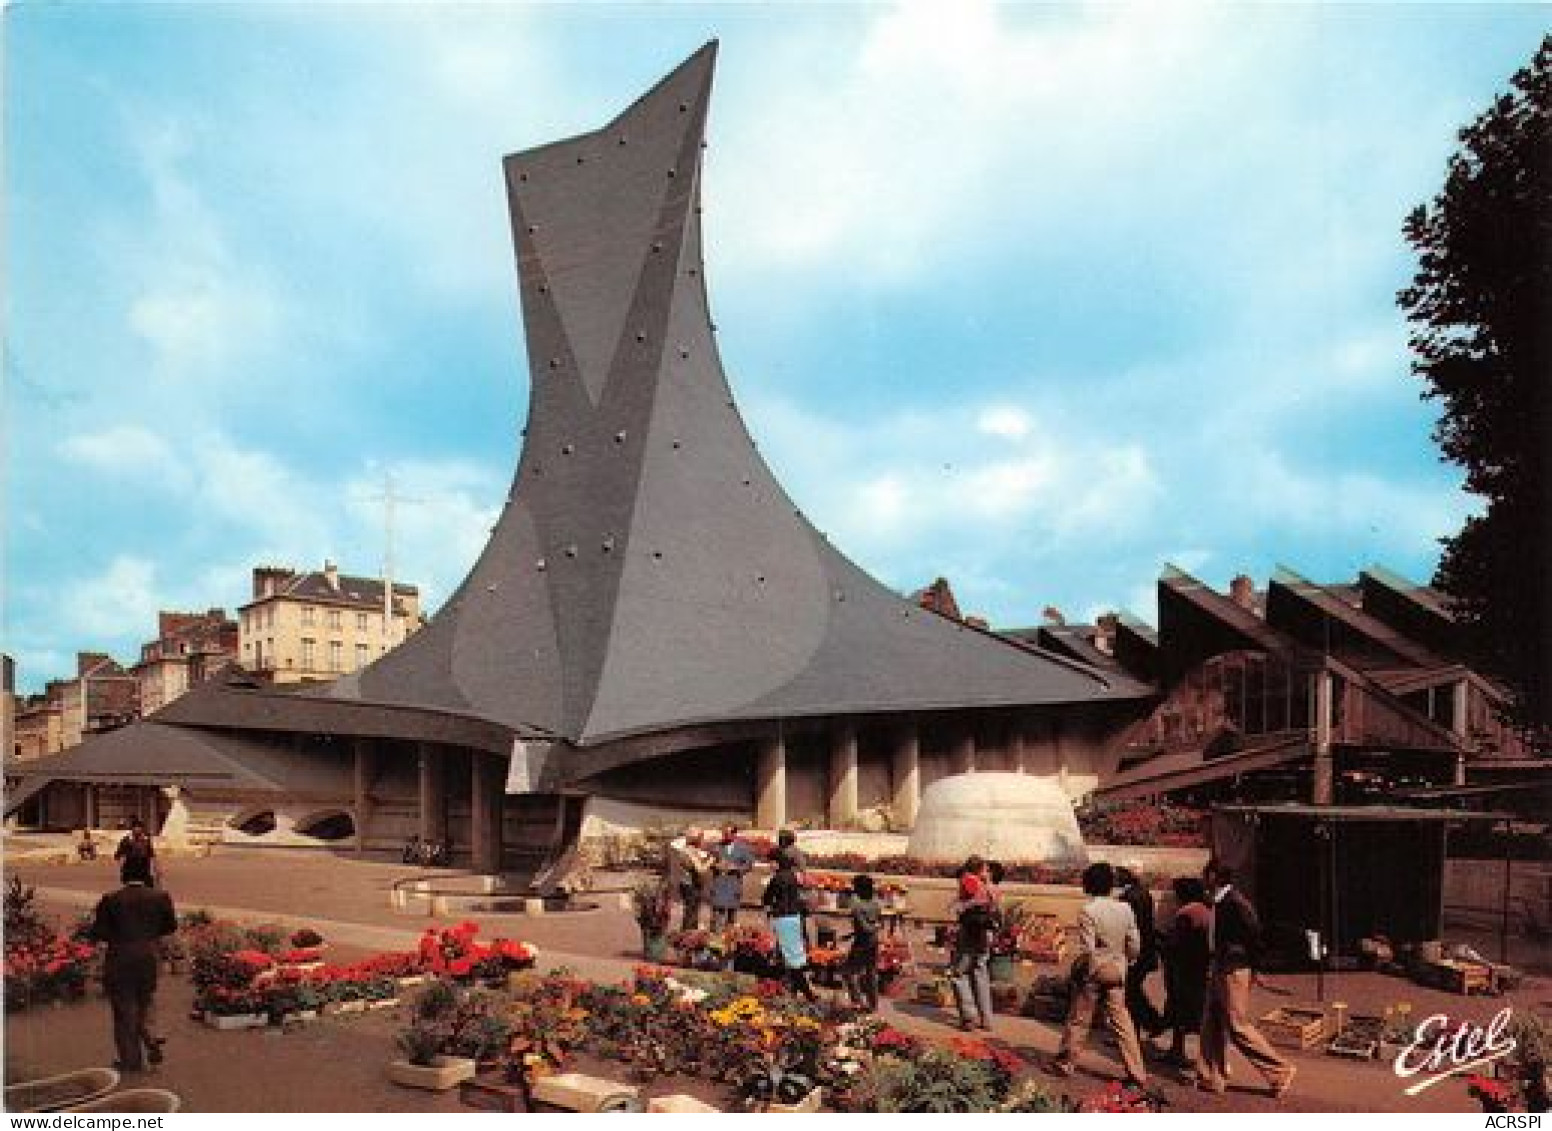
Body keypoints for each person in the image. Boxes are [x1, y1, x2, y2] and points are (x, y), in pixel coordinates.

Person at [1197, 859, 1295, 1098]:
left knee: (1236, 1025)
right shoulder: (1220, 902)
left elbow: (1255, 937)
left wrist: (1255, 968)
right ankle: (1213, 1076)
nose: (1202, 879)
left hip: (1234, 968)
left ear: (1213, 877)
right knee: (1212, 1022)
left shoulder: (1236, 903)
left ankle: (1280, 1070)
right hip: (1221, 965)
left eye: (1205, 875)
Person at [1047, 861, 1149, 1088]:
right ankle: (1137, 1073)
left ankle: (1066, 1062)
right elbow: (1134, 944)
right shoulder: (1125, 908)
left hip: (1095, 970)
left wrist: (1080, 971)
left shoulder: (1088, 911)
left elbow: (1087, 949)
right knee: (1122, 1022)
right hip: (1117, 969)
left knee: (1079, 1019)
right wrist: (1126, 961)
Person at [89, 855, 176, 1073]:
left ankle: (131, 1061)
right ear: (146, 874)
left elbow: (99, 933)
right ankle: (151, 1036)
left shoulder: (111, 899)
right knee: (145, 1000)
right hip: (149, 957)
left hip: (119, 958)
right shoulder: (161, 897)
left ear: (123, 874)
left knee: (124, 1010)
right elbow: (170, 927)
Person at [1161, 876, 1212, 1066]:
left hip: (1186, 970)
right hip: (1199, 968)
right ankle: (1178, 1051)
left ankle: (1189, 1054)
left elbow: (1177, 944)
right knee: (1189, 1012)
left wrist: (1164, 943)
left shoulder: (1187, 913)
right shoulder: (1206, 910)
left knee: (1183, 1011)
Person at [1116, 865, 1165, 1036]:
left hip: (1135, 951)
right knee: (1132, 991)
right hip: (1146, 949)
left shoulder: (1128, 897)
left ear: (1128, 875)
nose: (1117, 876)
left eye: (1120, 873)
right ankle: (1144, 1026)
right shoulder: (1145, 893)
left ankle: (1151, 1022)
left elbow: (1127, 928)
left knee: (1130, 993)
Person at [761, 851, 817, 1001]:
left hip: (783, 918)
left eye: (771, 862)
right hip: (795, 917)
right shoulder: (793, 876)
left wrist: (768, 909)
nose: (770, 866)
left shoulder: (777, 878)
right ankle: (794, 989)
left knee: (790, 958)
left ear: (777, 863)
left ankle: (807, 992)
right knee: (795, 954)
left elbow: (766, 898)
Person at [948, 856, 995, 1032]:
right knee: (980, 973)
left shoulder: (969, 880)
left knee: (959, 973)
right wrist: (987, 881)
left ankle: (969, 1017)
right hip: (984, 934)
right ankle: (987, 1018)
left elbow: (967, 902)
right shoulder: (988, 886)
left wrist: (959, 906)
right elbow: (992, 902)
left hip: (969, 932)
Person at [843, 874, 882, 1011]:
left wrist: (873, 927)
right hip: (873, 942)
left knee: (849, 972)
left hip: (862, 943)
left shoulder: (857, 907)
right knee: (871, 973)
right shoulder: (876, 903)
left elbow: (866, 928)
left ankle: (858, 1001)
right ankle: (873, 1004)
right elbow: (876, 922)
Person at [708, 824, 754, 930]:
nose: (725, 836)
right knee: (716, 917)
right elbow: (707, 862)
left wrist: (737, 869)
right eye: (724, 834)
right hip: (719, 884)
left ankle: (729, 940)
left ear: (734, 834)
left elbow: (749, 864)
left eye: (728, 834)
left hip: (734, 884)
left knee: (731, 917)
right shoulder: (716, 847)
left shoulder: (743, 848)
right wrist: (715, 865)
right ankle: (715, 939)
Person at [666, 828, 711, 931]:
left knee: (694, 911)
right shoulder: (688, 851)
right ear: (695, 839)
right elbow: (700, 869)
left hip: (693, 884)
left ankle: (691, 935)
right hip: (689, 885)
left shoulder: (694, 850)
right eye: (701, 837)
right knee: (691, 912)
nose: (702, 840)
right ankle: (686, 936)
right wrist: (711, 860)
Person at [114, 818, 157, 887]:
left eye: (139, 827)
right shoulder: (126, 840)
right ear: (132, 829)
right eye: (136, 827)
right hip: (130, 869)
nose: (137, 829)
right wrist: (122, 867)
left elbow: (151, 855)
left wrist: (154, 869)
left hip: (144, 869)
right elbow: (118, 855)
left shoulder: (146, 840)